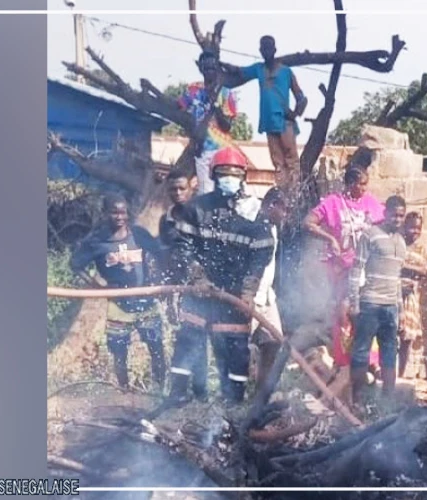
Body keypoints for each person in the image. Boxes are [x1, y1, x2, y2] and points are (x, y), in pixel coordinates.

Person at [165, 148, 275, 405]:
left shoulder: (254, 215)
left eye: (234, 174)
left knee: (235, 349)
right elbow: (182, 246)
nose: (229, 178)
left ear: (243, 176)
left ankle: (233, 403)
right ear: (214, 176)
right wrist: (196, 277)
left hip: (234, 297)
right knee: (188, 342)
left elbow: (261, 254)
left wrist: (248, 291)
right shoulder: (196, 209)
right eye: (224, 173)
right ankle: (179, 397)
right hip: (200, 293)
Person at [70, 194, 167, 390]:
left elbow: (160, 253)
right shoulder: (96, 241)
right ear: (105, 213)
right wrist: (99, 288)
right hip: (118, 305)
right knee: (119, 351)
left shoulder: (139, 235)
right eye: (114, 212)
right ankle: (124, 390)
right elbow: (75, 264)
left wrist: (158, 278)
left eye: (122, 212)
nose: (119, 217)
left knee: (156, 348)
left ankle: (160, 390)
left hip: (145, 301)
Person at [304, 167, 386, 371]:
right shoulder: (333, 202)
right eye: (360, 184)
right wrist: (330, 238)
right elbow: (308, 223)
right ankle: (344, 361)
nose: (364, 188)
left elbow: (385, 224)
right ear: (349, 184)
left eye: (366, 184)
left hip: (366, 269)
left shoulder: (370, 203)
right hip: (341, 268)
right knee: (344, 313)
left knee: (366, 312)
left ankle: (369, 361)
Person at [224, 35, 308, 191]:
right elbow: (240, 71)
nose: (266, 51)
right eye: (264, 48)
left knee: (291, 160)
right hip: (269, 122)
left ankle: (295, 192)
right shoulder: (259, 69)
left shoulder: (286, 72)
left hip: (284, 121)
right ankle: (283, 193)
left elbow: (301, 97)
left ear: (274, 50)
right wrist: (221, 64)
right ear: (260, 51)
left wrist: (295, 113)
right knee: (277, 161)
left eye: (269, 48)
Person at [347, 196, 409, 403]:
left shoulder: (401, 242)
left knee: (390, 354)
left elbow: (398, 279)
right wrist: (354, 303)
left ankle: (386, 404)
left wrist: (400, 312)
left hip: (391, 307)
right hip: (370, 303)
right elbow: (356, 269)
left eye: (401, 215)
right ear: (385, 213)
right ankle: (357, 401)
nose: (398, 219)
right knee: (361, 352)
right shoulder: (370, 235)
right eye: (394, 214)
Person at [179, 50, 242, 196]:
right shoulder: (193, 90)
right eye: (206, 68)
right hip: (203, 150)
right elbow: (179, 110)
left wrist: (216, 104)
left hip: (223, 150)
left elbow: (227, 126)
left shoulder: (226, 93)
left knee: (226, 192)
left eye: (213, 68)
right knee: (205, 194)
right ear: (200, 68)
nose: (209, 72)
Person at [252, 187, 289, 380]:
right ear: (271, 205)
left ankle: (261, 390)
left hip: (267, 297)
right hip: (252, 296)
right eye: (283, 210)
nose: (285, 215)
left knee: (274, 341)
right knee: (239, 344)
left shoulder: (273, 227)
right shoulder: (254, 226)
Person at [398, 212, 427, 379]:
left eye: (418, 228)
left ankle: (400, 376)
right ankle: (387, 376)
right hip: (395, 295)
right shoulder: (398, 244)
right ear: (404, 226)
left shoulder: (421, 249)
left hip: (411, 298)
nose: (415, 231)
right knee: (391, 336)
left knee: (407, 339)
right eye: (411, 227)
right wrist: (409, 267)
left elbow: (423, 269)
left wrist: (405, 266)